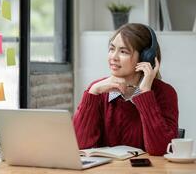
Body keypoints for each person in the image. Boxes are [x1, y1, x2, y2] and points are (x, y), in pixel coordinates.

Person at [73, 23, 179, 156]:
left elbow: (161, 150)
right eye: (112, 49)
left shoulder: (165, 93)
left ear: (145, 57)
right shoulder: (97, 90)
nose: (113, 57)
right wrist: (92, 93)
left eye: (123, 51)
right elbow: (79, 147)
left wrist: (145, 93)